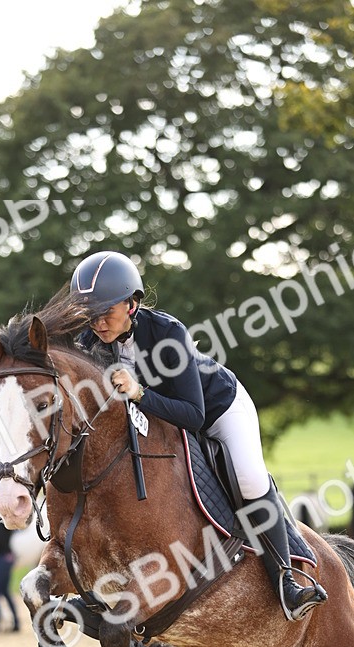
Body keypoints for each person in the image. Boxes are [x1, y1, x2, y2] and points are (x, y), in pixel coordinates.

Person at [69, 250, 327, 621]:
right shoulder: (88, 343)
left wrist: (140, 393)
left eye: (104, 312)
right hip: (158, 422)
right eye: (88, 315)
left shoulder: (168, 333)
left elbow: (193, 415)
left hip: (218, 409)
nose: (96, 323)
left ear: (131, 303)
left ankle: (287, 577)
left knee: (250, 478)